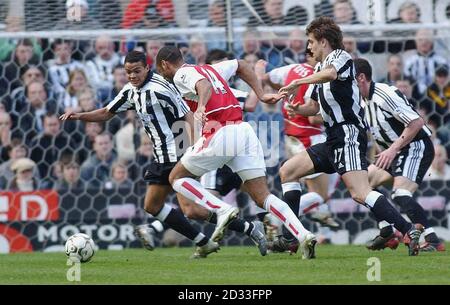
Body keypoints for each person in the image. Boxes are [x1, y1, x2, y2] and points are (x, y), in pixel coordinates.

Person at [60, 50, 266, 258]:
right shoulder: (129, 91)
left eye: (136, 71)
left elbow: (187, 114)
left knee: (188, 209)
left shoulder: (162, 88)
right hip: (161, 156)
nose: (132, 76)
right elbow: (107, 112)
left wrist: (195, 146)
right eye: (128, 72)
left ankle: (225, 234)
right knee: (155, 206)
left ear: (147, 68)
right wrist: (80, 116)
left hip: (178, 151)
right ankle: (232, 233)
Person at [278, 16, 424, 256]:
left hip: (348, 134)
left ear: (324, 41)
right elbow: (314, 108)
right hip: (333, 137)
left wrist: (298, 82)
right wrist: (297, 109)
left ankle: (408, 230)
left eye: (312, 41)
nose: (309, 47)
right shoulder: (317, 68)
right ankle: (291, 237)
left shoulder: (341, 59)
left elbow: (330, 75)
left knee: (360, 193)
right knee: (287, 171)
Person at [156, 45, 318, 260]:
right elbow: (241, 65)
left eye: (160, 70)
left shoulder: (181, 74)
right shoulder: (212, 69)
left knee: (176, 177)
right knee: (263, 197)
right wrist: (260, 94)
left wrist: (202, 106)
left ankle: (222, 209)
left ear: (165, 65)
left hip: (220, 131)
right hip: (243, 131)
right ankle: (303, 234)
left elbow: (202, 86)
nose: (162, 75)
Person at [255, 44, 340, 253]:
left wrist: (260, 71)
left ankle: (289, 233)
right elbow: (313, 117)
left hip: (291, 138)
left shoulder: (291, 70)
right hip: (311, 138)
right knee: (320, 195)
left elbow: (266, 79)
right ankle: (277, 217)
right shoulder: (318, 78)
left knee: (297, 185)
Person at [354, 58, 445, 253]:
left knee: (401, 193)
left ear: (361, 78)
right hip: (394, 151)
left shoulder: (385, 94)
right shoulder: (362, 101)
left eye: (348, 78)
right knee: (360, 184)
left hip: (415, 146)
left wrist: (392, 149)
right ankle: (387, 231)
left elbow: (416, 122)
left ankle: (433, 241)